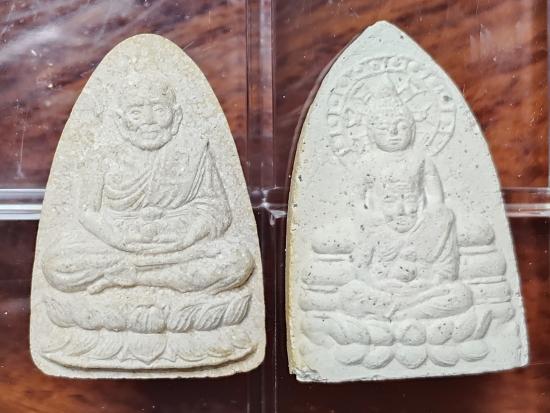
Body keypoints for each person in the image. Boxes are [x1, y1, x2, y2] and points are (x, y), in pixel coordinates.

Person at [42, 79, 254, 295]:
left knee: (236, 260)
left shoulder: (194, 153)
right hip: (119, 245)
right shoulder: (101, 157)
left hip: (177, 247)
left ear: (176, 116)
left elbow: (217, 209)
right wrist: (118, 238)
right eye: (136, 113)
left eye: (159, 110)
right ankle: (154, 276)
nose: (149, 121)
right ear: (120, 121)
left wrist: (187, 236)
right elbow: (87, 211)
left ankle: (133, 278)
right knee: (56, 264)